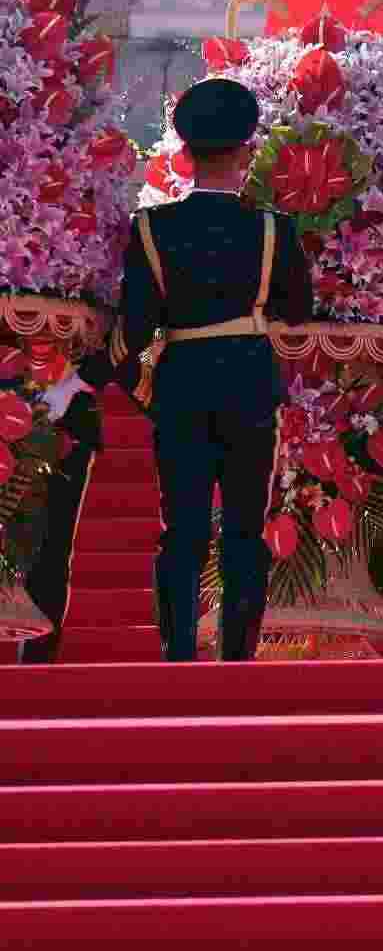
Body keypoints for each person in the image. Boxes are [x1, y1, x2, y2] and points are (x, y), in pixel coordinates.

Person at [55, 79, 313, 662]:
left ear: (186, 152)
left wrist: (83, 379)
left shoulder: (153, 228)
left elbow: (135, 329)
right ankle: (237, 657)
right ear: (247, 151)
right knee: (246, 529)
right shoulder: (273, 229)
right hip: (249, 384)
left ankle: (178, 656)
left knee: (183, 530)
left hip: (183, 388)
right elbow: (298, 311)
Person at [16, 388, 102, 663]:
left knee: (51, 552)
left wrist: (68, 388)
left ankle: (37, 656)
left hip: (68, 434)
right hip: (12, 416)